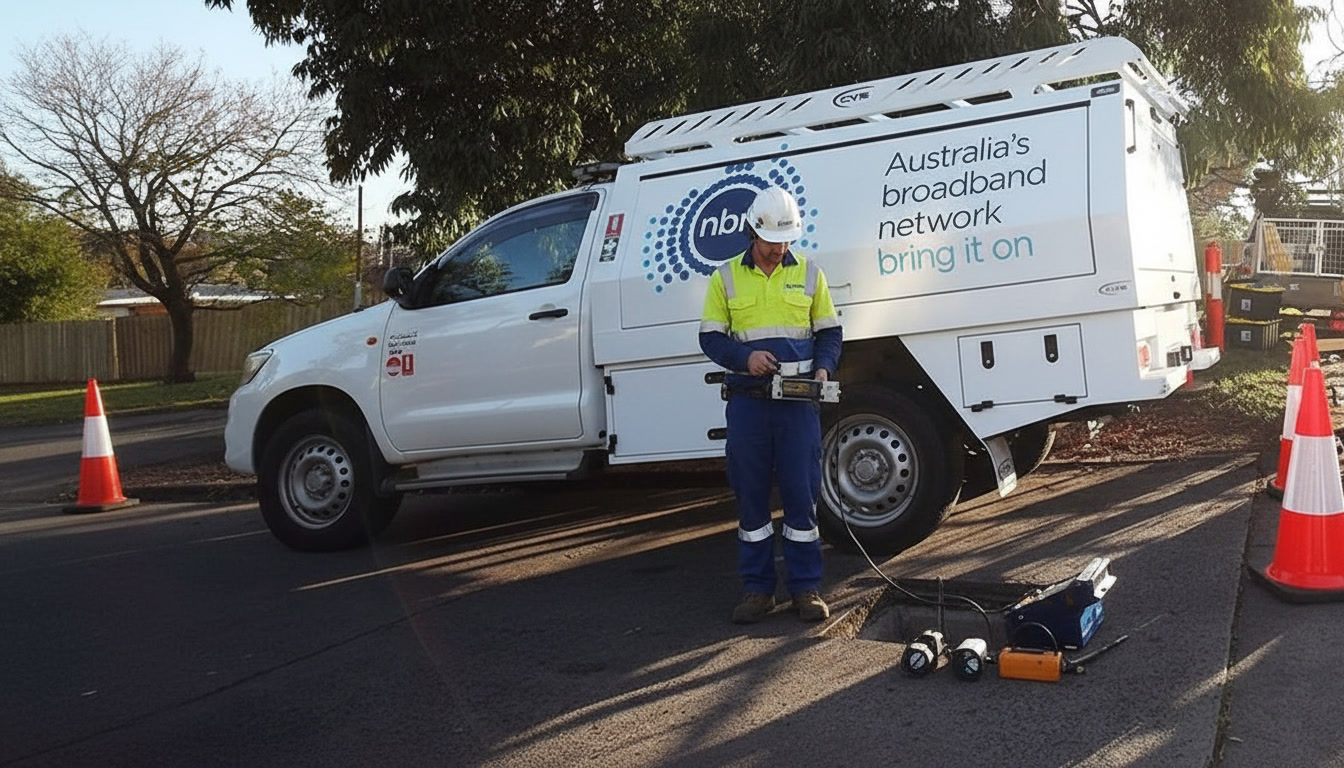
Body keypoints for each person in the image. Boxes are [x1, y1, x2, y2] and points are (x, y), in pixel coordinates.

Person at [698, 186, 843, 624]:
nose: (779, 249)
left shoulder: (811, 274)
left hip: (798, 405)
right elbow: (710, 337)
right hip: (748, 405)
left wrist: (823, 369)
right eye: (771, 240)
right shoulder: (724, 278)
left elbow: (830, 333)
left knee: (802, 497)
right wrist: (745, 358)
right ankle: (758, 591)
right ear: (753, 232)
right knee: (752, 499)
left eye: (786, 241)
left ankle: (806, 590)